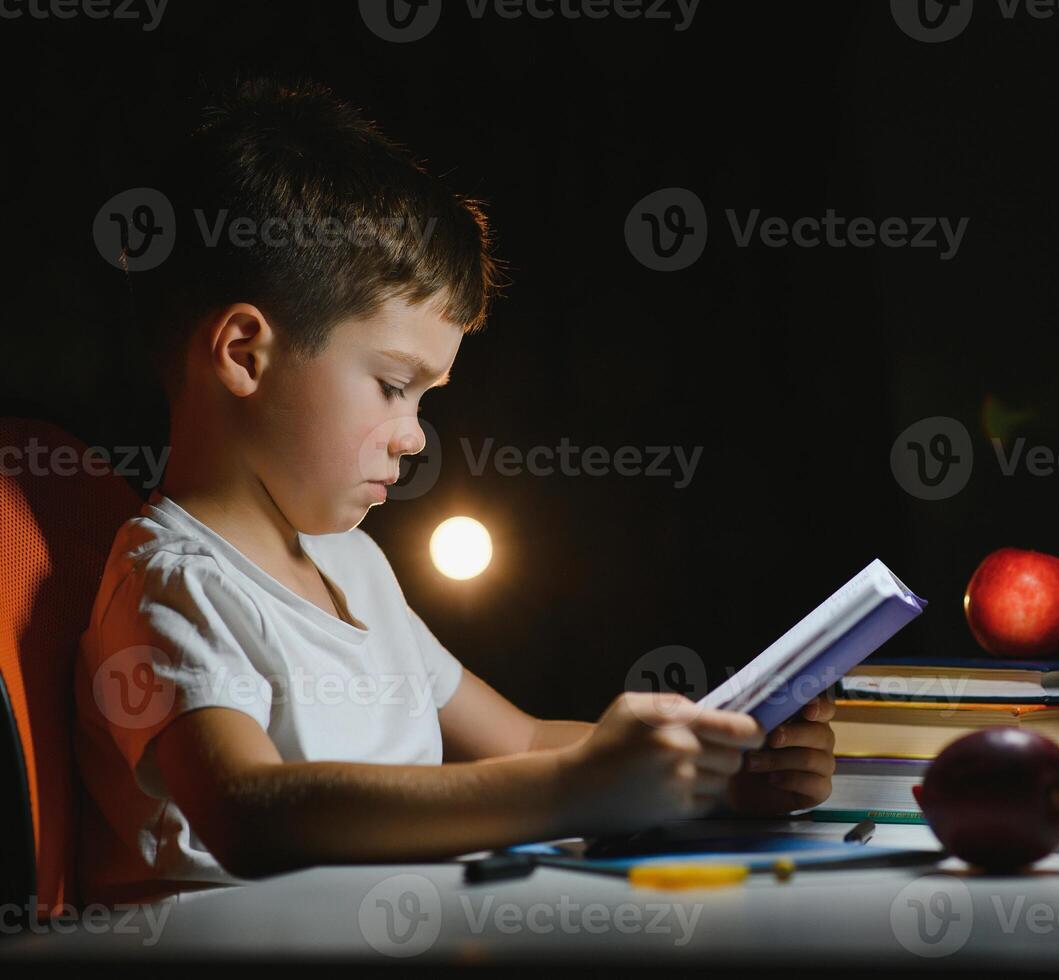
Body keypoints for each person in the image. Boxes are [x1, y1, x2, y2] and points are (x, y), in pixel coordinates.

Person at [73, 75, 836, 908]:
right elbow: (248, 814)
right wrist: (573, 791)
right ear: (245, 354)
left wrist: (714, 771)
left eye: (425, 399)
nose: (412, 434)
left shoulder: (353, 566)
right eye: (393, 385)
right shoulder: (170, 581)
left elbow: (521, 740)